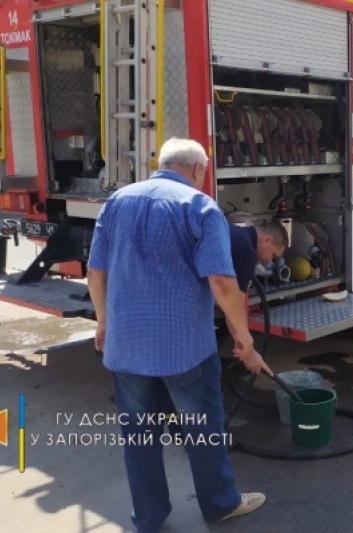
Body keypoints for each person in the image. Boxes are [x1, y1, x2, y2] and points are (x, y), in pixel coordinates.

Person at [87, 138, 272, 532]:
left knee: (139, 437)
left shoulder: (116, 202)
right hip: (184, 349)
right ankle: (221, 504)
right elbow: (223, 283)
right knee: (203, 431)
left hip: (127, 346)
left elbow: (95, 270)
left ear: (162, 163)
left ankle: (149, 518)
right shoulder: (200, 207)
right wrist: (245, 340)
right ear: (198, 171)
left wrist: (103, 321)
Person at [213, 213, 288, 346]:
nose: (269, 261)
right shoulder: (246, 251)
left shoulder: (237, 234)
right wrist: (245, 345)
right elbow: (235, 305)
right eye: (273, 254)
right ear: (267, 240)